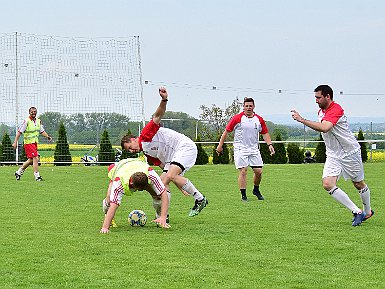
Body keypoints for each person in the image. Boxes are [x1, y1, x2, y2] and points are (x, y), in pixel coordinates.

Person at [291, 84, 374, 227]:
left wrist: (302, 120)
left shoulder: (336, 109)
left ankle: (367, 211)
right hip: (333, 155)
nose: (316, 100)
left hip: (350, 153)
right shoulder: (321, 112)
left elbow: (324, 127)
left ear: (327, 97)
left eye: (318, 97)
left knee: (358, 184)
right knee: (327, 184)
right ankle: (356, 211)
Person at [121, 87, 208, 217]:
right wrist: (181, 186)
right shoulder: (147, 153)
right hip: (174, 157)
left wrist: (164, 99)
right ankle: (163, 217)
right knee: (160, 185)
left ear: (134, 139)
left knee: (169, 177)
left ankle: (200, 199)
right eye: (129, 151)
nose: (132, 150)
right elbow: (166, 169)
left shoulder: (145, 135)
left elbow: (157, 116)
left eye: (130, 147)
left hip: (184, 147)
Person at [216, 97, 275, 202]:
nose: (248, 108)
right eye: (246, 106)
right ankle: (244, 196)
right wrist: (220, 145)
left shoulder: (259, 119)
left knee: (259, 172)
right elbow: (226, 131)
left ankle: (256, 190)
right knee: (243, 171)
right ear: (243, 107)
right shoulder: (237, 118)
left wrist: (270, 145)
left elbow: (265, 133)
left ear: (254, 106)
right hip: (240, 148)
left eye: (250, 106)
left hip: (254, 148)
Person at [100, 158, 170, 234]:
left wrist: (163, 217)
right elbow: (114, 205)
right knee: (110, 199)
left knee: (158, 196)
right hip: (118, 168)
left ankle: (160, 218)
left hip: (138, 164)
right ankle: (108, 218)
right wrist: (105, 228)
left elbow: (164, 193)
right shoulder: (119, 182)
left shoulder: (150, 174)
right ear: (132, 184)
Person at [12, 107, 53, 181]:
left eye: (35, 111)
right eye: (32, 112)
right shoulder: (26, 121)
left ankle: (18, 172)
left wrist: (48, 136)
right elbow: (19, 132)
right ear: (29, 112)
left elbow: (42, 131)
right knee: (36, 158)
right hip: (28, 143)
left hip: (34, 143)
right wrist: (15, 142)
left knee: (31, 160)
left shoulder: (38, 121)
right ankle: (37, 176)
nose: (33, 113)